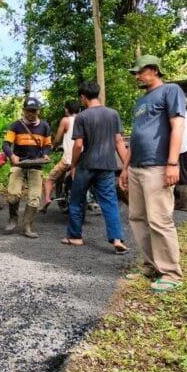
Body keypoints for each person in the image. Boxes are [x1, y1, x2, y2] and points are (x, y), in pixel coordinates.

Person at [119, 55, 185, 293]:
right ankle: (151, 266)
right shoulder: (141, 101)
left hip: (158, 165)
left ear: (155, 70)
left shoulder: (170, 91)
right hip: (136, 167)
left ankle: (171, 273)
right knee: (137, 218)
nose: (137, 76)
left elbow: (177, 126)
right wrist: (125, 168)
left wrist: (172, 163)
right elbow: (135, 138)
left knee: (159, 219)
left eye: (140, 71)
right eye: (135, 72)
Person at [62, 82, 128, 254]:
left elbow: (78, 145)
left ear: (83, 97)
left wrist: (73, 165)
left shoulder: (82, 117)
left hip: (87, 165)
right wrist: (127, 166)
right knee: (110, 202)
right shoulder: (113, 114)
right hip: (107, 166)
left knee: (77, 199)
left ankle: (75, 237)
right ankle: (116, 239)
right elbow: (119, 142)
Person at [2, 97, 52, 238]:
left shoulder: (45, 126)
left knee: (35, 197)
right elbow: (6, 144)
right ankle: (13, 218)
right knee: (13, 194)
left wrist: (46, 154)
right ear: (23, 110)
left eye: (34, 111)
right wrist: (12, 155)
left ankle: (27, 226)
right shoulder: (16, 125)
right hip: (19, 163)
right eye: (28, 111)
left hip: (36, 164)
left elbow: (47, 145)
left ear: (38, 111)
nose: (31, 114)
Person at [41, 99, 80, 213]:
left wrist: (53, 147)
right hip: (82, 159)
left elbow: (58, 139)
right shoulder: (84, 119)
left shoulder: (65, 120)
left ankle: (47, 199)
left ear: (66, 109)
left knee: (50, 179)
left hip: (68, 160)